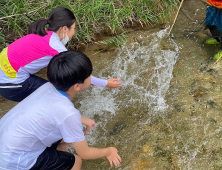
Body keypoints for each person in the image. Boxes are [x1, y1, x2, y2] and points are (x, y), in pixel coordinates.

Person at [0, 50, 121, 170]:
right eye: (89, 75)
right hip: (14, 160)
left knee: (65, 136)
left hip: (6, 141)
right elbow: (85, 153)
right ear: (77, 86)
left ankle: (55, 155)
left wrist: (83, 119)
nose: (91, 77)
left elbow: (57, 113)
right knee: (76, 161)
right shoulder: (68, 113)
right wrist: (108, 152)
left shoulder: (47, 87)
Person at [0, 7, 121, 102]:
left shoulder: (44, 33)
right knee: (57, 96)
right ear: (64, 29)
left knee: (49, 92)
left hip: (6, 75)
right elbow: (78, 74)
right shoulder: (55, 48)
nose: (74, 32)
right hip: (11, 85)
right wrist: (105, 83)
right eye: (73, 28)